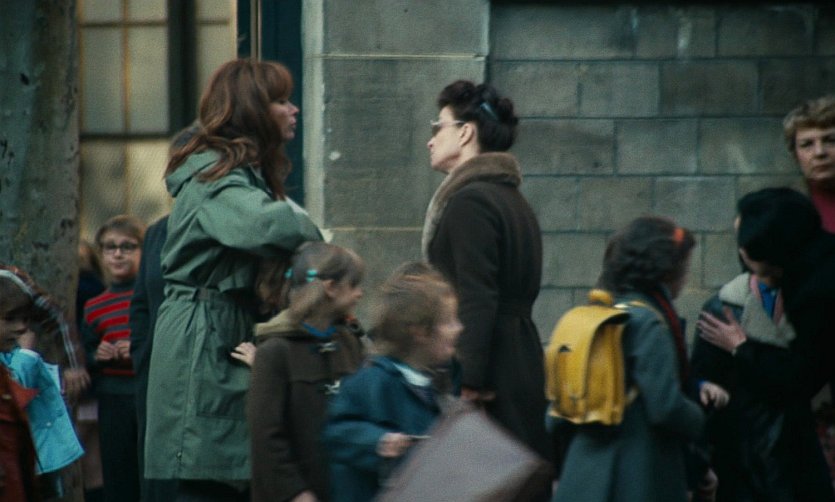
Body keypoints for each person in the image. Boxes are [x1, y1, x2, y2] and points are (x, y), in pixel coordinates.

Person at [144, 58, 322, 501]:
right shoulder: (215, 175)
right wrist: (310, 230)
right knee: (210, 472)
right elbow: (263, 226)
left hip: (220, 325)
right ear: (253, 109)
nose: (293, 109)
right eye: (281, 101)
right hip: (204, 332)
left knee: (230, 468)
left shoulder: (237, 173)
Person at [421, 79, 548, 461]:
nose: (430, 140)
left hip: (490, 368)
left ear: (465, 133)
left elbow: (477, 296)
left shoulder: (470, 201)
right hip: (518, 356)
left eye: (438, 127)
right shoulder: (510, 199)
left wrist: (469, 380)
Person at [553, 217, 705, 502]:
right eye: (684, 269)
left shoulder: (588, 318)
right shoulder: (649, 323)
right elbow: (666, 408)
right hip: (636, 476)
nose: (686, 279)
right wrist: (700, 419)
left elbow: (555, 416)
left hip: (582, 475)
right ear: (666, 272)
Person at [697, 187, 835, 501]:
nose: (741, 246)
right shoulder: (725, 305)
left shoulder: (817, 294)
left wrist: (742, 347)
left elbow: (802, 377)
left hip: (795, 450)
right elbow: (703, 376)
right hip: (743, 453)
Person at [322, 266, 462, 501]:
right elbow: (335, 433)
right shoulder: (371, 382)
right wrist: (378, 441)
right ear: (420, 332)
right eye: (448, 322)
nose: (459, 328)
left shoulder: (437, 384)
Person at [248, 242, 366, 502]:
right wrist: (294, 492)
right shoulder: (275, 352)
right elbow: (266, 437)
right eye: (354, 284)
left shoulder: (350, 344)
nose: (360, 293)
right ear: (330, 288)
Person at [0, 270, 85, 498]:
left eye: (25, 320)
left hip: (29, 461)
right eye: (10, 319)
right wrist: (26, 355)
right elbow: (17, 390)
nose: (21, 328)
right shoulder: (19, 355)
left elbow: (54, 313)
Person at [81, 215, 146, 502]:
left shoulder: (152, 299)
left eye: (127, 246)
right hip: (112, 397)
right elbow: (86, 352)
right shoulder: (94, 306)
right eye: (110, 247)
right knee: (118, 472)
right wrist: (97, 355)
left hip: (146, 394)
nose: (118, 254)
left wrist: (139, 349)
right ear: (101, 253)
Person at [783, 95, 835, 232]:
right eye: (807, 144)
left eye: (831, 141)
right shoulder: (782, 209)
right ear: (795, 154)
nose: (819, 152)